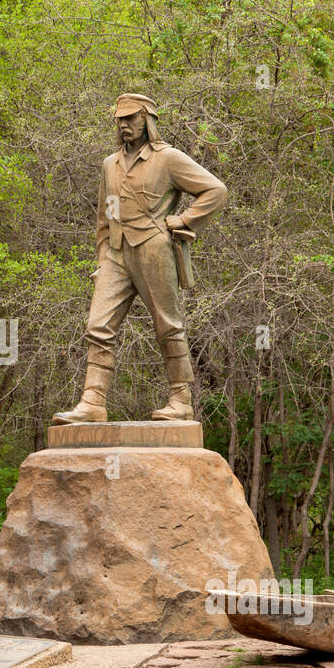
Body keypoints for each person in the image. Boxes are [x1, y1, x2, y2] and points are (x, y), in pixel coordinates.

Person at [54, 92, 228, 425]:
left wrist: (184, 220)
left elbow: (215, 190)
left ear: (146, 120)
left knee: (168, 325)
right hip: (117, 254)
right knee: (98, 325)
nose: (124, 125)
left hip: (154, 249)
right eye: (120, 120)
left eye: (131, 118)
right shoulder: (110, 164)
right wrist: (103, 257)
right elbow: (105, 218)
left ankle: (180, 399)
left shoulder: (168, 159)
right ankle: (93, 401)